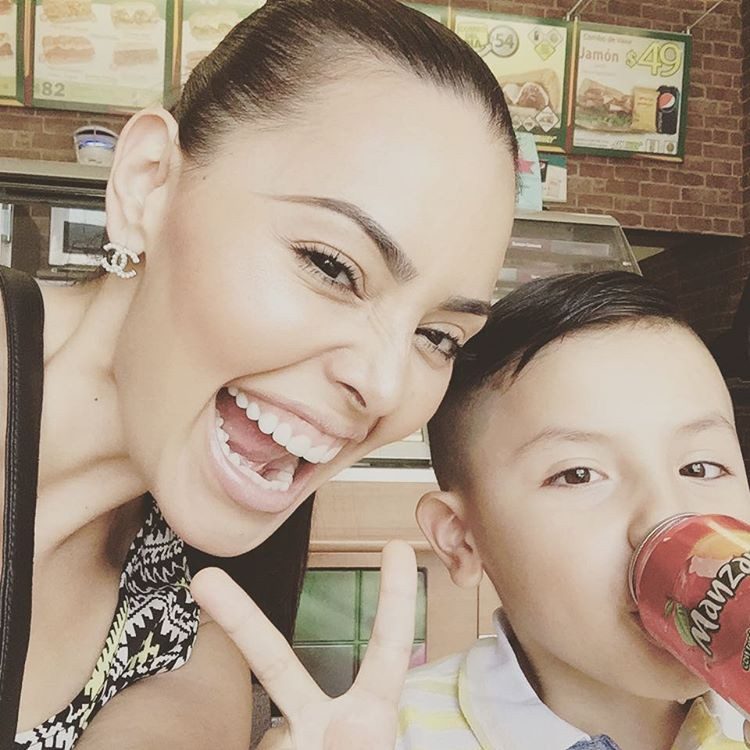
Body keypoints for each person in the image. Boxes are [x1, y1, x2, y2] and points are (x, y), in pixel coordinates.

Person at [1, 1, 519, 747]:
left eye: (437, 336)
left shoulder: (198, 607)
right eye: (331, 266)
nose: (383, 385)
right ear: (148, 184)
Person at [395, 271, 750, 750]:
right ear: (461, 538)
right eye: (578, 474)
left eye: (701, 467)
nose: (667, 518)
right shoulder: (388, 734)